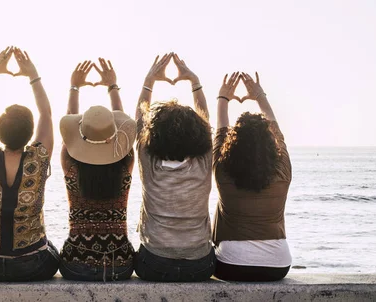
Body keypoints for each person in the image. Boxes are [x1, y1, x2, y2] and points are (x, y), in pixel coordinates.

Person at [0, 46, 59, 282]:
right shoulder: (38, 160)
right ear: (30, 133)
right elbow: (46, 113)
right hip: (31, 265)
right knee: (54, 251)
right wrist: (33, 75)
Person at [133, 53, 216, 282]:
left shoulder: (149, 161)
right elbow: (206, 123)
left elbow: (140, 121)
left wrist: (149, 81)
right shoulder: (202, 163)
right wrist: (194, 81)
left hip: (154, 264)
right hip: (200, 265)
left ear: (154, 134)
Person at [59, 59, 137, 281]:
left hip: (75, 264)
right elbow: (124, 134)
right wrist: (113, 86)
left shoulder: (70, 169)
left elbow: (67, 138)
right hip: (119, 264)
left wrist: (74, 87)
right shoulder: (125, 169)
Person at [212, 72, 292, 281]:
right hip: (277, 265)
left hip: (230, 265)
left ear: (233, 143)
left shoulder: (222, 171)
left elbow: (220, 132)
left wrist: (223, 98)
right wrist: (259, 96)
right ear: (269, 143)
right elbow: (278, 134)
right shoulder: (282, 171)